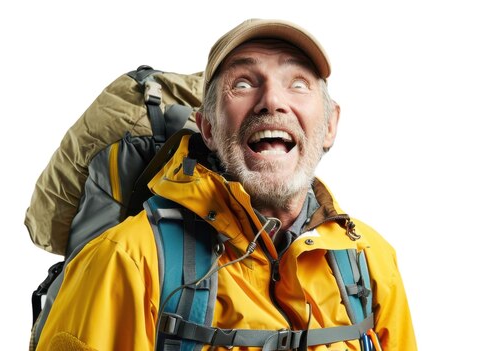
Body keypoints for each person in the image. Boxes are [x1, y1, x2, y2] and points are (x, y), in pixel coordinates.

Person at [36, 18, 417, 351]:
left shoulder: (371, 259)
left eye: (298, 83)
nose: (272, 101)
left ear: (330, 124)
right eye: (244, 83)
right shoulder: (126, 260)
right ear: (208, 128)